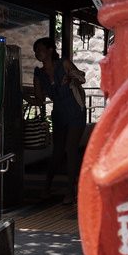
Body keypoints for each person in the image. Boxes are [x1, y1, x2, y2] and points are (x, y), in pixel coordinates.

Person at [30, 37, 86, 204]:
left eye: (40, 49)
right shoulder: (38, 74)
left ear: (50, 50)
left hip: (75, 111)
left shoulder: (64, 64)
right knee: (57, 152)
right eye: (35, 50)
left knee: (70, 149)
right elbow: (39, 100)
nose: (37, 53)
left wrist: (71, 78)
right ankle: (46, 187)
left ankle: (70, 191)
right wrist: (20, 95)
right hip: (59, 113)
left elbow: (81, 77)